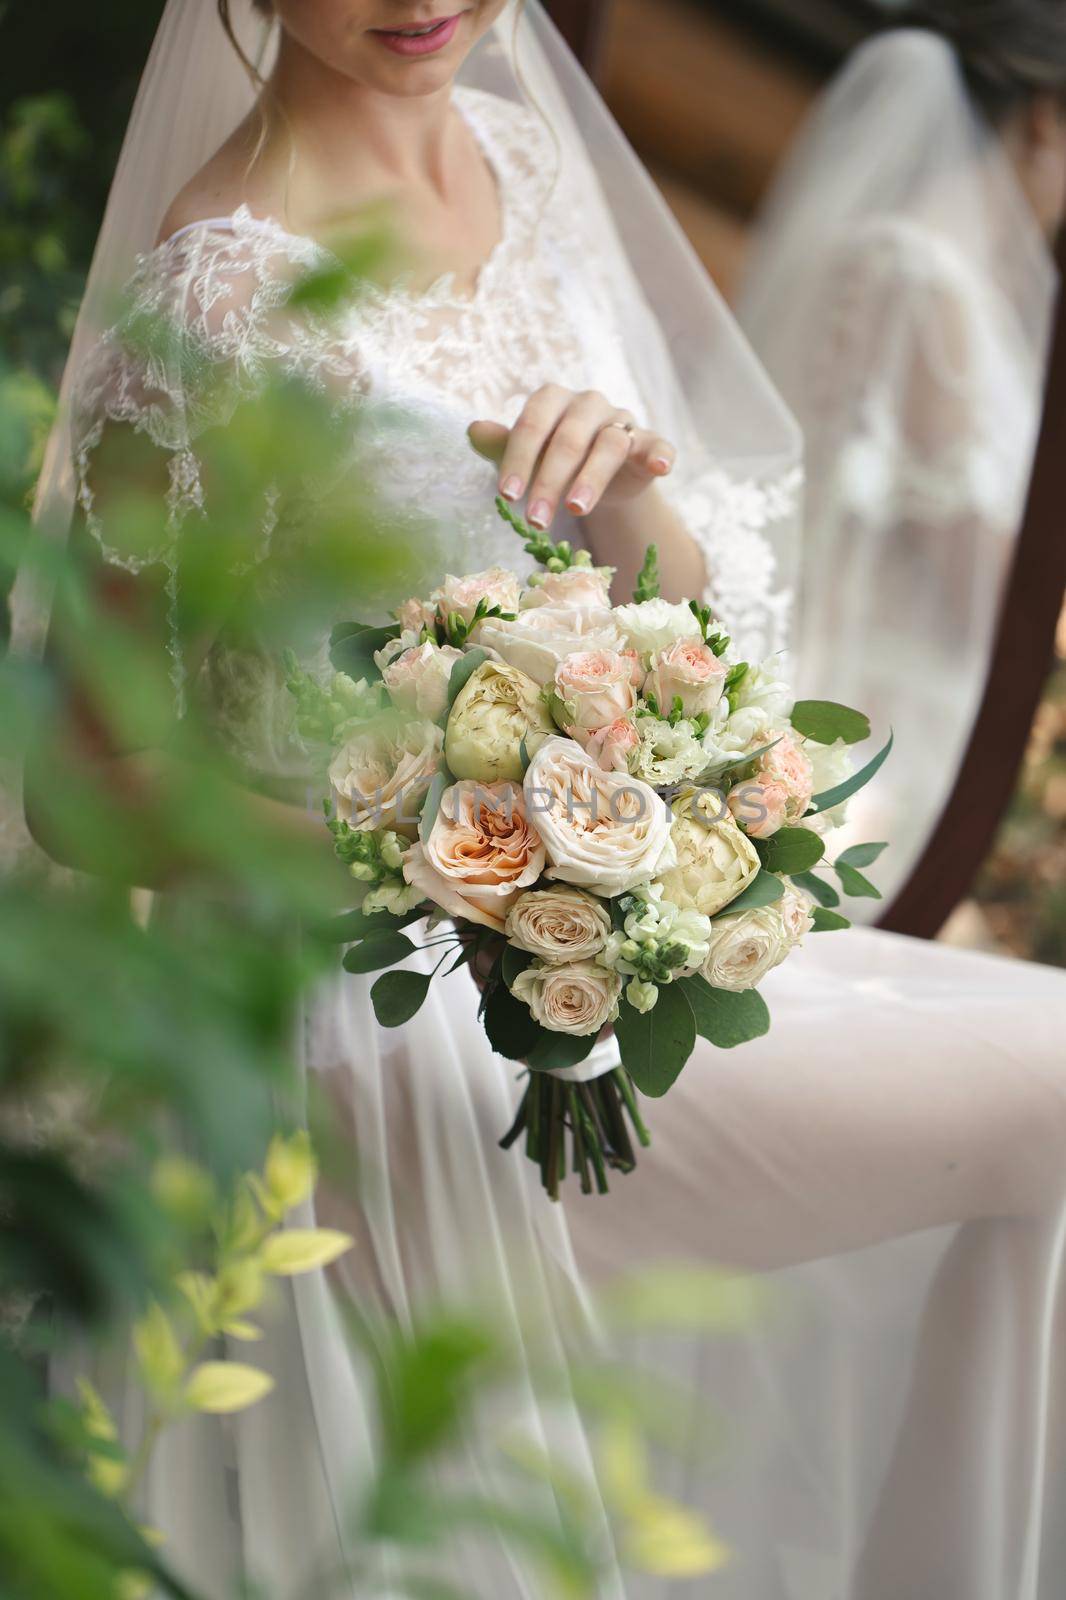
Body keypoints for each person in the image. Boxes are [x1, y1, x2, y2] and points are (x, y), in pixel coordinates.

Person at [16, 3, 1066, 1596]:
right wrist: (430, 857)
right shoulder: (218, 291)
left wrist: (630, 497)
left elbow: (693, 618)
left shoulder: (521, 155)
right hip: (370, 1014)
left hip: (597, 931)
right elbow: (83, 790)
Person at [738, 4, 1066, 912]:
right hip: (873, 721)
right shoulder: (920, 277)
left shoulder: (973, 290)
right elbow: (984, 571)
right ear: (1044, 112)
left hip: (929, 710)